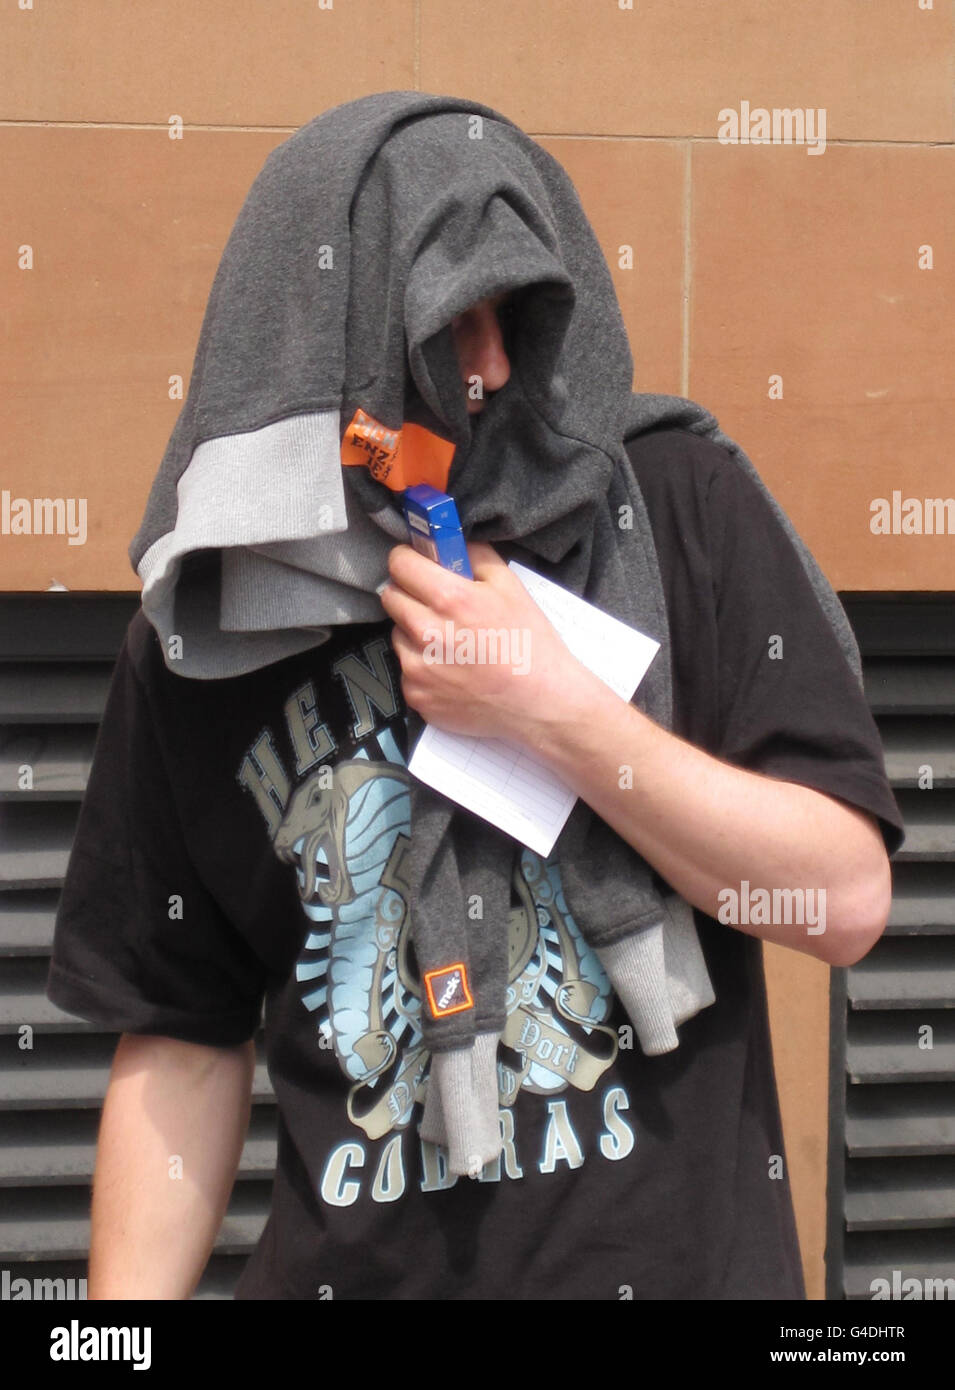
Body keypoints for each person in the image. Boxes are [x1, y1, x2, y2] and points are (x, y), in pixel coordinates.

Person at [47, 92, 905, 1300]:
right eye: (450, 322)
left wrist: (549, 705)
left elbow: (844, 899)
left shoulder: (675, 508)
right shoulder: (212, 624)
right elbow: (182, 1042)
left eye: (515, 314)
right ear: (331, 336)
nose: (493, 365)